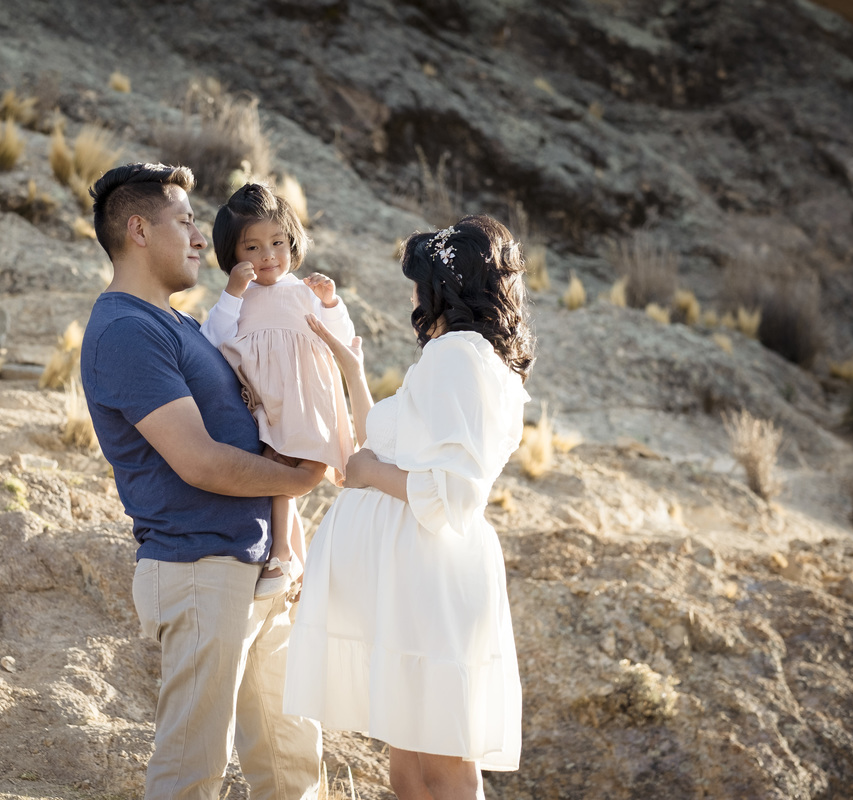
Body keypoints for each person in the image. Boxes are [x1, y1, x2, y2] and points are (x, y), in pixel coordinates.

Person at [79, 162, 323, 800]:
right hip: (198, 568)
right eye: (185, 222)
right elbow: (201, 461)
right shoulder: (127, 331)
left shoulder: (183, 325)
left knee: (292, 763)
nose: (198, 238)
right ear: (138, 230)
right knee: (194, 768)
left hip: (258, 567)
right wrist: (299, 480)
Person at [284, 215, 535, 799]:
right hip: (409, 580)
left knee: (442, 766)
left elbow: (456, 493)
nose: (412, 298)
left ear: (445, 288)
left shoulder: (459, 357)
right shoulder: (463, 357)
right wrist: (353, 370)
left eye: (418, 284)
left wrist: (368, 473)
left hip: (429, 577)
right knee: (410, 766)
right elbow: (389, 443)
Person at [201, 182, 356, 599]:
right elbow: (212, 339)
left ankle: (285, 556)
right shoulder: (239, 298)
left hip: (306, 400)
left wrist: (330, 302)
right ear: (232, 254)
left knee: (284, 471)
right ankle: (292, 563)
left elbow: (341, 340)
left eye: (277, 243)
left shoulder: (304, 292)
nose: (267, 255)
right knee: (278, 474)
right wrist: (232, 292)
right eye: (251, 248)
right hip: (268, 403)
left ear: (292, 242)